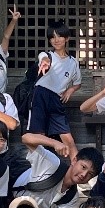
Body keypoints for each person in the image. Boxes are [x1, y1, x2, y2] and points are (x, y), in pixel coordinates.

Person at [14, 135, 104, 208]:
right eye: (83, 167)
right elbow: (26, 138)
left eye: (90, 174)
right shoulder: (52, 163)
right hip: (10, 202)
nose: (83, 174)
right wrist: (54, 143)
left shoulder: (71, 196)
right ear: (74, 160)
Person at [23, 19, 81, 159]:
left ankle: (77, 170)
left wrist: (70, 90)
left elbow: (78, 83)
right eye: (52, 37)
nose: (56, 40)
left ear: (67, 38)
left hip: (56, 99)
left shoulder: (73, 62)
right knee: (38, 136)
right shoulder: (48, 55)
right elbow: (43, 57)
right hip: (40, 95)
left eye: (60, 36)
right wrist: (45, 62)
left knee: (68, 139)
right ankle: (41, 169)